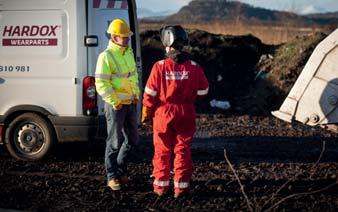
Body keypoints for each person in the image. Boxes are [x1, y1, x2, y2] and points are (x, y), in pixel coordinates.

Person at [141, 25, 209, 198]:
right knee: (183, 150)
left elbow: (150, 94)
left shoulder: (159, 66)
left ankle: (161, 188)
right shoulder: (194, 66)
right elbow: (204, 91)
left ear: (166, 43)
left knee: (162, 151)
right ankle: (181, 188)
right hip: (186, 113)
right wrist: (188, 95)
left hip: (163, 114)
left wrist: (147, 113)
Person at [95, 18, 139, 191]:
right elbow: (101, 83)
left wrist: (135, 95)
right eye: (123, 36)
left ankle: (120, 169)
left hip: (130, 104)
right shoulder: (106, 56)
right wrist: (115, 102)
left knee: (133, 140)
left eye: (127, 36)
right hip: (116, 106)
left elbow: (132, 76)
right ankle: (112, 176)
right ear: (114, 37)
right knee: (114, 142)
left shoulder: (127, 52)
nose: (127, 39)